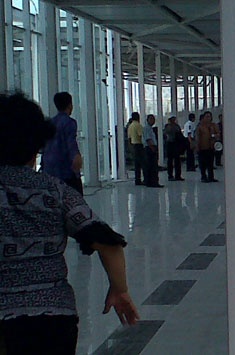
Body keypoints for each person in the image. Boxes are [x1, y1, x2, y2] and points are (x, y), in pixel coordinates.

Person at [0, 92, 139, 355]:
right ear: (37, 142)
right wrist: (119, 290)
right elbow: (108, 242)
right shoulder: (56, 191)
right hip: (53, 318)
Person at [41, 92, 84, 195]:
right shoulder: (70, 123)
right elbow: (71, 142)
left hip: (49, 168)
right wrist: (76, 156)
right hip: (65, 169)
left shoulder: (50, 123)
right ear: (70, 105)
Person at [195, 111, 220, 183]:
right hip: (202, 147)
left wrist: (214, 136)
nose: (208, 118)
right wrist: (197, 146)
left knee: (210, 163)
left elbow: (218, 134)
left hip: (211, 147)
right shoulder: (200, 127)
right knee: (202, 163)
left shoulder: (213, 125)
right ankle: (203, 176)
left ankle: (211, 177)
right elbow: (197, 137)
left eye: (209, 116)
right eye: (207, 116)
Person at [143, 114, 163, 188]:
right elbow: (148, 139)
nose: (153, 121)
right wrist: (153, 148)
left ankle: (151, 182)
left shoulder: (150, 128)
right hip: (149, 148)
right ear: (147, 120)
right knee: (152, 166)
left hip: (151, 147)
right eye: (151, 119)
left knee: (152, 166)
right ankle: (152, 182)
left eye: (154, 119)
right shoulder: (146, 128)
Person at [127, 112, 146, 185]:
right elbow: (141, 136)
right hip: (139, 145)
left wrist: (130, 147)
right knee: (143, 163)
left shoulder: (130, 126)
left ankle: (137, 180)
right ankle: (145, 179)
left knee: (136, 165)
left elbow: (129, 138)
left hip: (133, 146)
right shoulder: (138, 125)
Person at [164, 116, 184, 181]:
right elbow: (167, 132)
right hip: (170, 144)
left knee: (177, 160)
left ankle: (177, 175)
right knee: (170, 160)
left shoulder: (176, 126)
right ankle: (171, 175)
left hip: (175, 144)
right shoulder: (169, 126)